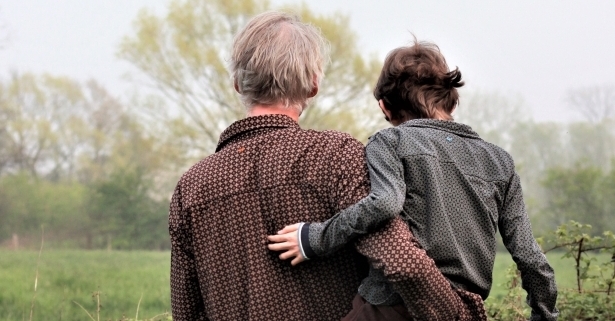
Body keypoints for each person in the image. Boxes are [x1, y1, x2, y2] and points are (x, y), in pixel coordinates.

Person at [169, 12, 444, 321]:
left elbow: (187, 312)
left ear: (236, 84)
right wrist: (459, 313)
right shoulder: (337, 155)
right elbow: (401, 262)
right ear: (313, 85)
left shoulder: (190, 187)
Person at [268, 40, 559, 320]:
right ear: (451, 103)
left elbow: (384, 203)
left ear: (385, 107)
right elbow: (531, 258)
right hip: (463, 311)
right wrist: (544, 316)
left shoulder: (390, 141)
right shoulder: (499, 161)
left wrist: (315, 238)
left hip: (394, 306)